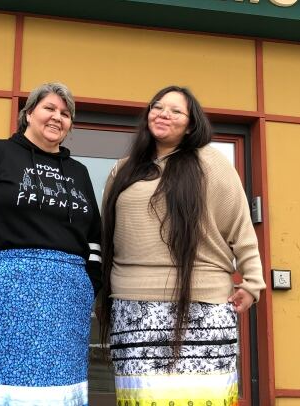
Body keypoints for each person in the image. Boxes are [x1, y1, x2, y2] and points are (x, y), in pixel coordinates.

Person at [99, 86, 266, 405]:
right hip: (134, 307)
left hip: (202, 303)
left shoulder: (211, 163)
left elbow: (240, 227)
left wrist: (253, 282)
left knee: (205, 397)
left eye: (176, 110)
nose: (163, 114)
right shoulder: (123, 169)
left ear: (191, 124)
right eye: (157, 107)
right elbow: (109, 235)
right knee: (142, 398)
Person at [0, 82, 102, 406]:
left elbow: (94, 238)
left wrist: (91, 284)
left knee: (56, 392)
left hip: (64, 302)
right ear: (28, 113)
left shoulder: (79, 173)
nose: (58, 117)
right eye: (49, 108)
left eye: (65, 113)